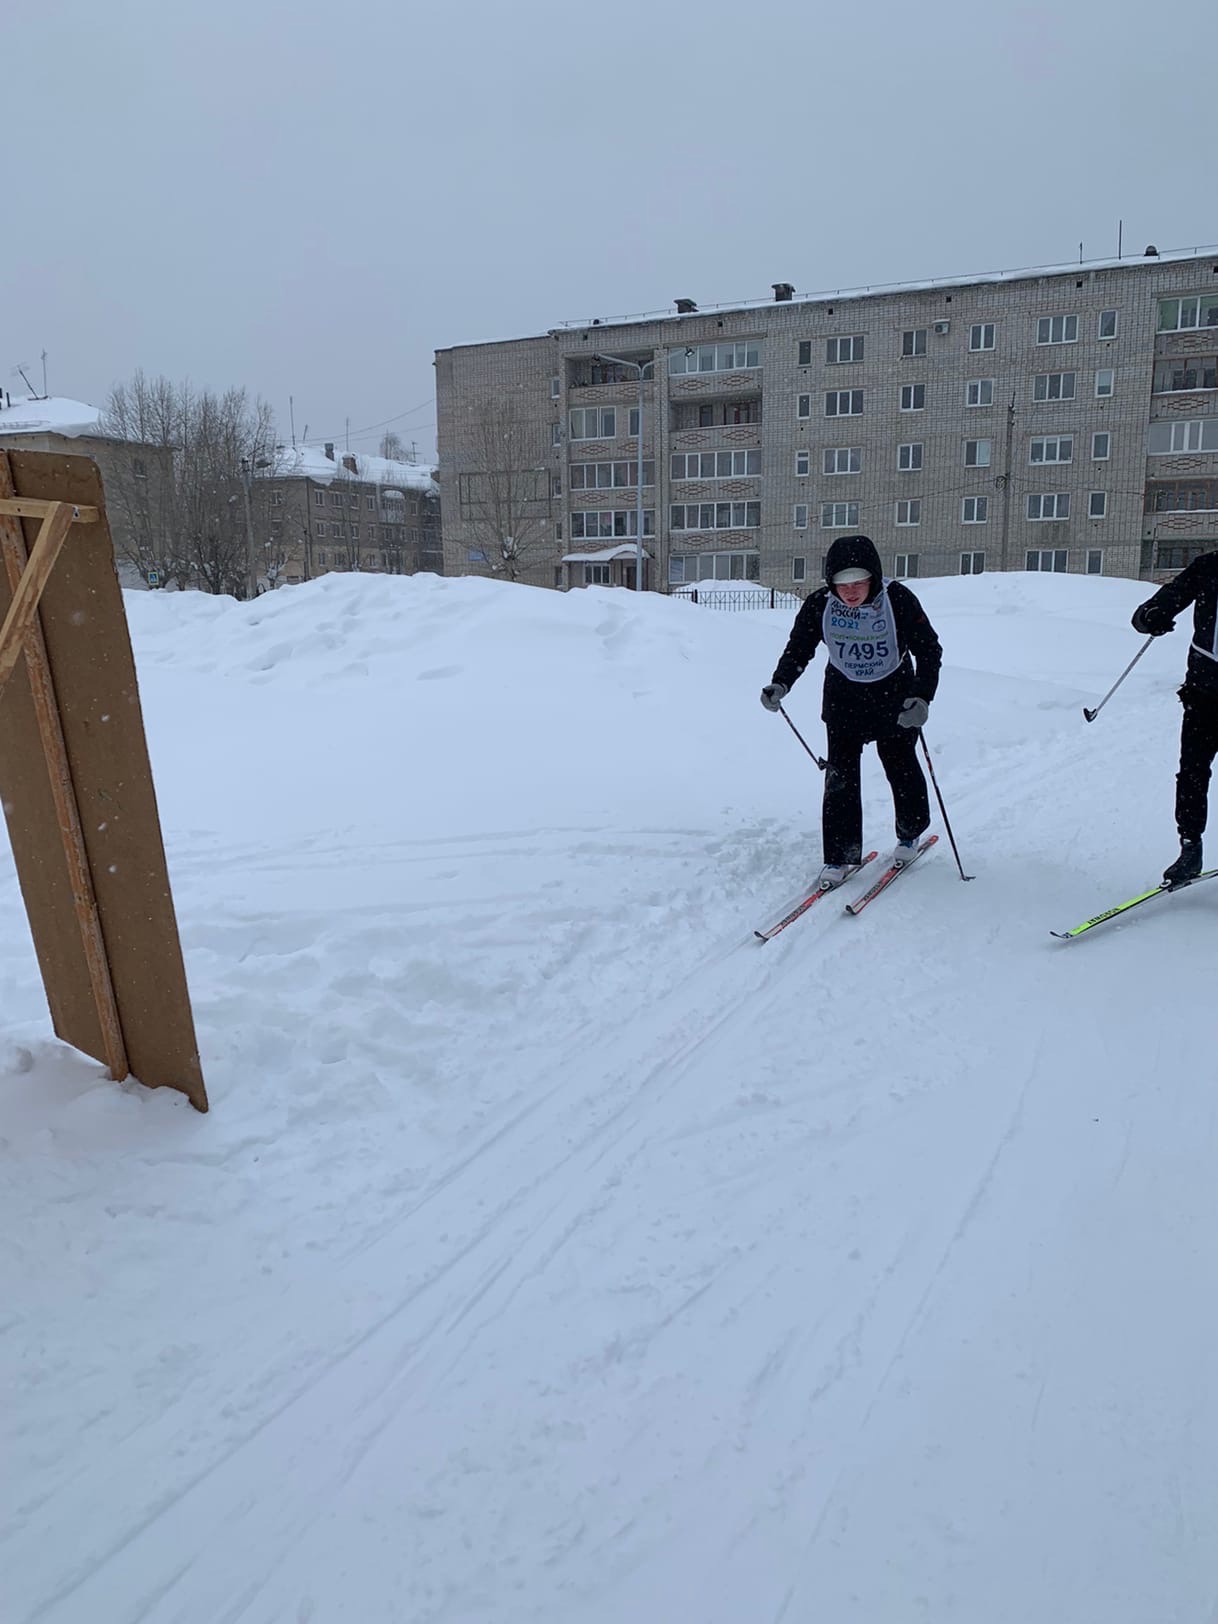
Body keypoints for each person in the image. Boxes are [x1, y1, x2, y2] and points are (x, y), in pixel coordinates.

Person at [759, 534, 943, 888]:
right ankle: (839, 856)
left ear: (873, 577)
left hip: (895, 695)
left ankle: (909, 833)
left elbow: (930, 650)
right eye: (843, 583)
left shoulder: (898, 600)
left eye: (860, 582)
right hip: (844, 699)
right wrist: (780, 683)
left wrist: (922, 698)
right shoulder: (819, 604)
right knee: (840, 778)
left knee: (900, 765)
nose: (852, 591)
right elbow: (799, 648)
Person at [1131, 548, 1218, 885]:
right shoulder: (1210, 566)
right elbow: (1168, 597)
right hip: (1204, 692)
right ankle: (1190, 848)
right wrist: (1150, 616)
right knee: (1193, 773)